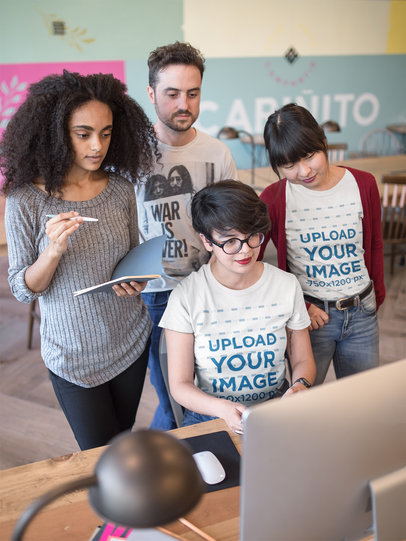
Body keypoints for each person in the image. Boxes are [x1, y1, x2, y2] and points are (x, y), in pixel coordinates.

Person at [1, 70, 159, 450]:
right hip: (72, 357)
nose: (97, 145)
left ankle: (122, 512)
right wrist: (53, 250)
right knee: (99, 458)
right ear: (56, 133)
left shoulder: (120, 189)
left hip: (130, 342)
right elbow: (23, 289)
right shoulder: (26, 200)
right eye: (83, 133)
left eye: (105, 133)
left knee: (123, 447)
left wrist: (136, 279)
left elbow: (130, 257)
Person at [159, 180, 316, 434]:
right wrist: (222, 409)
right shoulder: (186, 297)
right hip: (210, 415)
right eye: (230, 241)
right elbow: (180, 385)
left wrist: (300, 385)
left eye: (252, 236)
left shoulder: (286, 285)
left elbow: (303, 359)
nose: (245, 250)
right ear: (207, 241)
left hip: (274, 409)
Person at [136, 41, 238, 430]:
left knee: (213, 390)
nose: (184, 103)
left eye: (192, 93)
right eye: (172, 93)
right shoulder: (132, 157)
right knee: (172, 399)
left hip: (212, 289)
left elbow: (235, 227)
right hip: (156, 296)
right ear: (151, 94)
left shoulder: (218, 154)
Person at [260, 103, 385, 385]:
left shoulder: (363, 184)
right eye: (289, 165)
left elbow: (375, 244)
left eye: (309, 156)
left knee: (365, 405)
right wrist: (297, 306)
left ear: (323, 143)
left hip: (362, 313)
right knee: (308, 408)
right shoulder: (273, 198)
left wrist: (377, 297)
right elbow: (253, 263)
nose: (304, 171)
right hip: (311, 320)